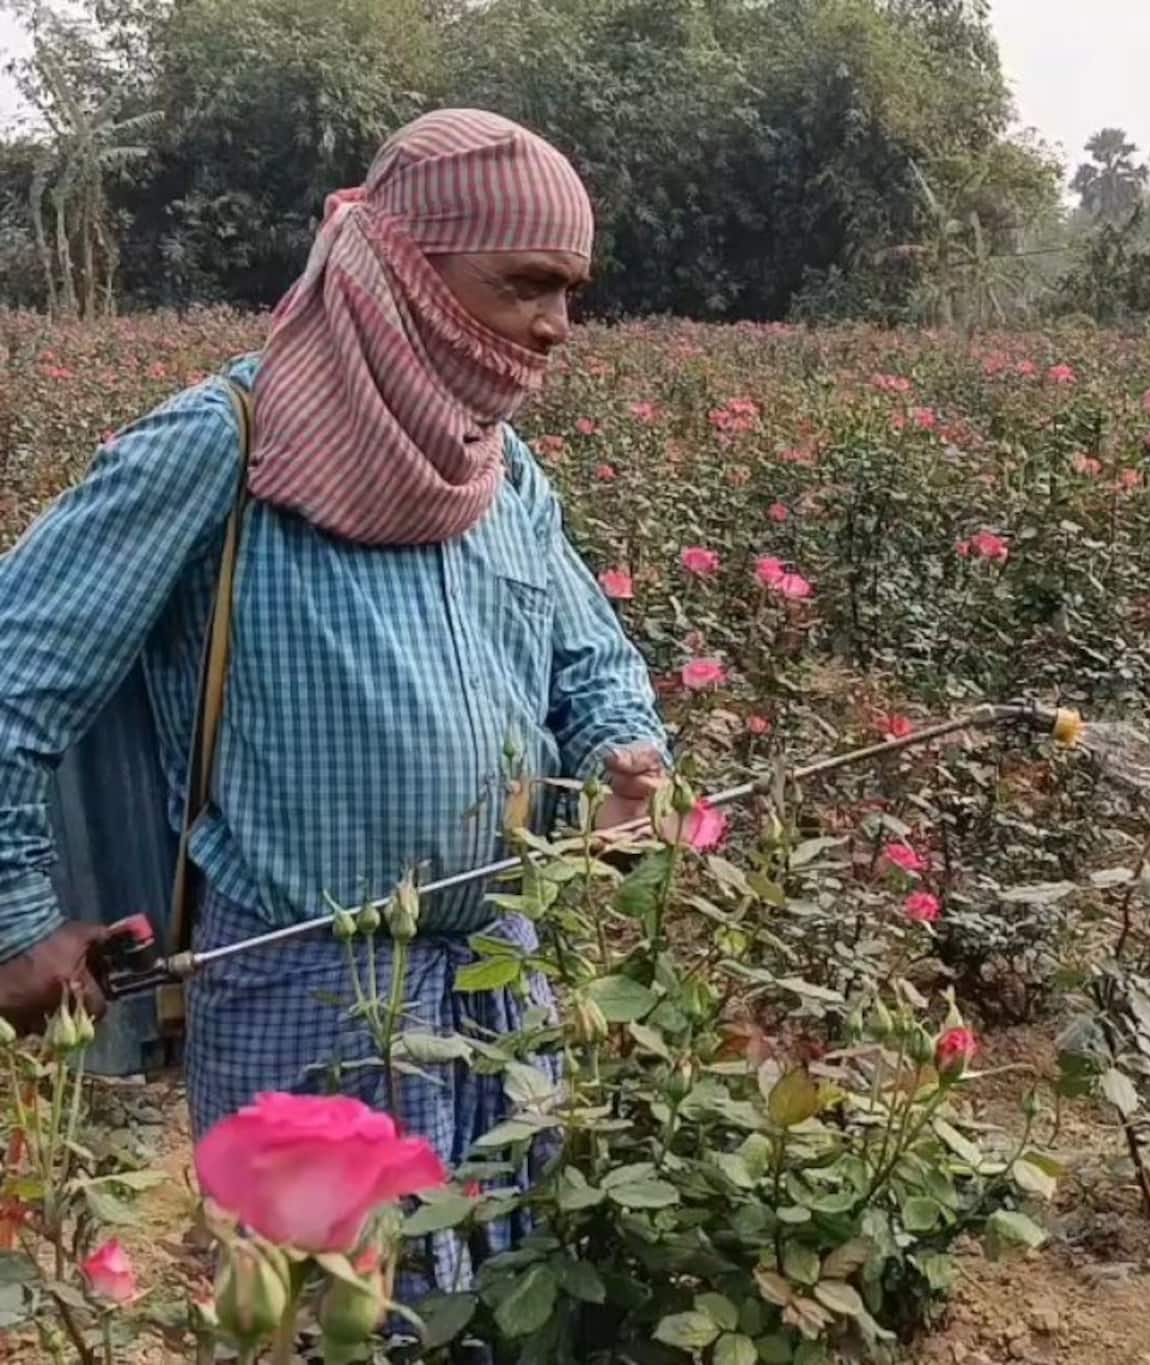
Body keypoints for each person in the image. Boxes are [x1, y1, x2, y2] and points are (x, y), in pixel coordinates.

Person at [0, 109, 669, 1293]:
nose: (556, 328)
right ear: (405, 269)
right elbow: (14, 678)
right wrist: (12, 920)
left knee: (504, 1303)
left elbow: (591, 657)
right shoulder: (225, 447)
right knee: (334, 1322)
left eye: (573, 293)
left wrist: (627, 754)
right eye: (526, 286)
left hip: (499, 974)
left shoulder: (500, 469)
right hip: (300, 993)